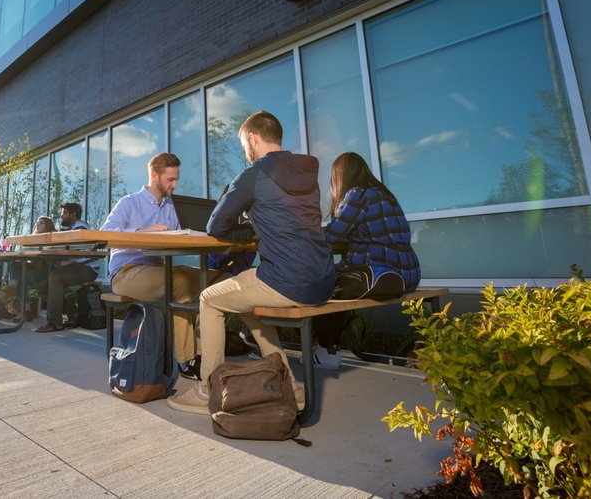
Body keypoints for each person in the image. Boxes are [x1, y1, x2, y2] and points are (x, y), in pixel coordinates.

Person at [168, 111, 334, 414]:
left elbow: (216, 227)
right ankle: (290, 385)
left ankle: (208, 390)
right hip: (323, 278)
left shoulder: (254, 173)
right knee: (244, 303)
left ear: (253, 139)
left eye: (245, 143)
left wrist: (247, 228)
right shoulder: (306, 174)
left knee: (209, 299)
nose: (246, 149)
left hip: (287, 279)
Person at [100, 152, 213, 379]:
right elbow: (105, 234)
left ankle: (204, 354)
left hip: (158, 270)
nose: (175, 185)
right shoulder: (129, 203)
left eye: (176, 179)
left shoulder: (174, 207)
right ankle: (187, 359)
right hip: (126, 273)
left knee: (211, 278)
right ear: (154, 175)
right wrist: (142, 231)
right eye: (170, 180)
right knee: (179, 282)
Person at [313, 151, 420, 359]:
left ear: (341, 176)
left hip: (381, 273)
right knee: (335, 280)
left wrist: (301, 234)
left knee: (323, 284)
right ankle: (329, 348)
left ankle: (326, 350)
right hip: (409, 273)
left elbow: (333, 234)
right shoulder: (385, 195)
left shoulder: (358, 194)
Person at [35, 202, 97, 333]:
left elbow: (84, 249)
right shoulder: (65, 229)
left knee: (55, 277)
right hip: (75, 267)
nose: (61, 216)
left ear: (73, 215)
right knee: (43, 287)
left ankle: (55, 323)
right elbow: (60, 247)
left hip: (88, 268)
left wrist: (68, 261)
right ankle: (73, 313)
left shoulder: (81, 226)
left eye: (64, 213)